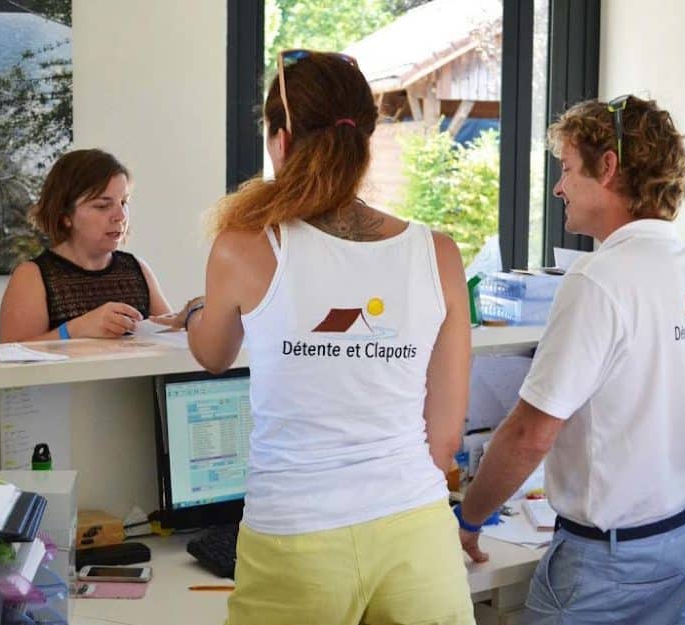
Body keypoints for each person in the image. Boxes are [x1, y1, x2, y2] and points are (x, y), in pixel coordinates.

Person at [154, 50, 475, 625]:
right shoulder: (440, 253)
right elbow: (446, 437)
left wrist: (204, 307)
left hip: (296, 539)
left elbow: (212, 353)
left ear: (280, 139)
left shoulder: (245, 244)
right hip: (418, 534)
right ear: (366, 139)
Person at [456, 95, 685, 625]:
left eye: (566, 170)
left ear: (607, 168)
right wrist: (666, 506)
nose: (560, 187)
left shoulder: (597, 280)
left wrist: (469, 518)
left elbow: (529, 435)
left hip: (609, 565)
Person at [0, 148, 172, 343]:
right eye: (102, 205)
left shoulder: (138, 269)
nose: (121, 216)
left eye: (124, 202)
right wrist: (75, 329)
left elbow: (173, 340)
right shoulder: (31, 276)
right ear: (65, 216)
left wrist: (191, 317)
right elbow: (13, 361)